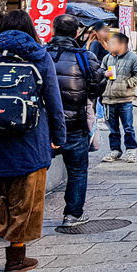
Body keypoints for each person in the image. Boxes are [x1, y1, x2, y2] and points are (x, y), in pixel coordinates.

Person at [0, 11, 66, 272]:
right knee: (25, 206)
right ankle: (16, 259)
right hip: (29, 147)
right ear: (31, 28)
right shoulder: (40, 57)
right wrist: (58, 138)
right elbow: (54, 103)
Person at [46, 14, 106, 228]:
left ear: (53, 30)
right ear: (76, 33)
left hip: (45, 125)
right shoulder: (85, 56)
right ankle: (72, 214)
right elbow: (99, 85)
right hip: (75, 123)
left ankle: (26, 214)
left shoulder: (41, 53)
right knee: (78, 170)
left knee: (36, 170)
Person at [101, 32, 137, 163]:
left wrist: (127, 83)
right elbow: (99, 72)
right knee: (112, 128)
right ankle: (115, 150)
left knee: (128, 127)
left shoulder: (133, 58)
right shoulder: (107, 58)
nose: (110, 45)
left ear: (122, 44)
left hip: (125, 99)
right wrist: (104, 73)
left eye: (113, 43)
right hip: (108, 98)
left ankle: (131, 150)